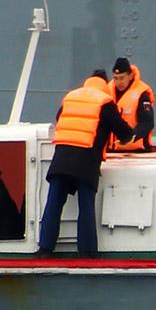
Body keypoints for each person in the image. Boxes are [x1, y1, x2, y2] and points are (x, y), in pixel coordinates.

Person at [38, 71, 133, 256]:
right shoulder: (105, 102)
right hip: (87, 161)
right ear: (105, 85)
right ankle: (87, 252)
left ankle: (45, 248)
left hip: (61, 158)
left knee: (54, 203)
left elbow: (60, 119)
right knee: (86, 206)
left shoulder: (70, 97)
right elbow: (124, 133)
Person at [106, 56, 155, 154]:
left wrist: (132, 137)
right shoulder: (107, 91)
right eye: (116, 78)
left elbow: (147, 122)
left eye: (122, 78)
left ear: (130, 76)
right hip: (112, 150)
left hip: (136, 151)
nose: (119, 82)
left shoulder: (142, 94)